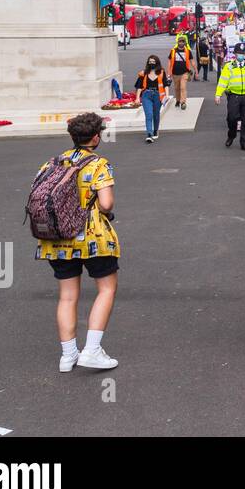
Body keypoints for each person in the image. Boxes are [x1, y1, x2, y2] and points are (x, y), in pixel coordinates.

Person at [36, 112, 120, 372]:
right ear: (96, 137)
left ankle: (68, 355)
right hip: (92, 237)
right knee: (106, 289)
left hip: (57, 239)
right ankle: (92, 350)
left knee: (67, 296)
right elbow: (106, 204)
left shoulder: (52, 162)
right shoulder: (98, 164)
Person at [214, 43, 245, 150]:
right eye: (239, 53)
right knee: (232, 118)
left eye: (243, 53)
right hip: (234, 96)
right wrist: (218, 94)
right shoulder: (229, 66)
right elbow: (223, 81)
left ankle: (244, 142)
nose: (241, 55)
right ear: (235, 54)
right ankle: (231, 135)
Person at [133, 54, 168, 143]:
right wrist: (137, 98)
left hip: (158, 95)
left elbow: (165, 85)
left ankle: (155, 130)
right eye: (150, 62)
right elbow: (139, 87)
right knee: (149, 114)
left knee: (156, 115)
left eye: (153, 62)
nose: (151, 63)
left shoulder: (162, 72)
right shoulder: (143, 73)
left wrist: (166, 96)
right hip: (146, 95)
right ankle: (149, 134)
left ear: (157, 63)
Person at [168, 34, 194, 109]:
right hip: (175, 73)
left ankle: (183, 102)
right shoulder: (173, 51)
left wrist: (196, 71)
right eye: (180, 42)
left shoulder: (188, 51)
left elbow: (192, 61)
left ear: (185, 43)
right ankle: (178, 100)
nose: (181, 43)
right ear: (178, 42)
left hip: (184, 72)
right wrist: (169, 72)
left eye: (183, 42)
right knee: (177, 88)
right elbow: (169, 62)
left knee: (183, 87)